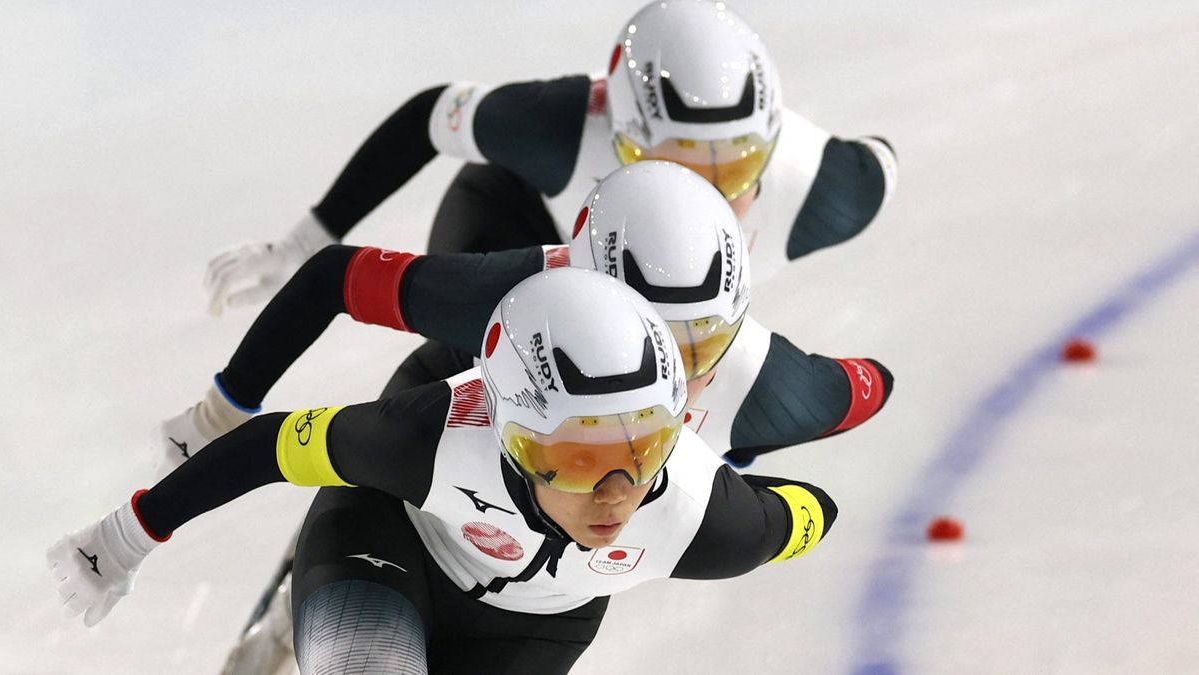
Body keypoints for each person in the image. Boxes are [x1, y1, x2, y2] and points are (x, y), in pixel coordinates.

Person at [50, 268, 838, 674]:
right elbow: (267, 445)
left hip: (538, 626)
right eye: (576, 459)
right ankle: (292, 620)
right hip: (387, 543)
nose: (617, 497)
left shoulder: (701, 517)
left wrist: (761, 494)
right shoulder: (430, 438)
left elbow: (805, 511)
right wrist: (124, 534)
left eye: (644, 454)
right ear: (513, 439)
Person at [159, 162, 892, 481]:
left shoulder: (782, 390)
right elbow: (332, 277)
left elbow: (868, 385)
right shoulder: (519, 293)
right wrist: (222, 411)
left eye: (695, 341)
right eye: (638, 327)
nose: (666, 363)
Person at [203, 0, 897, 317]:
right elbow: (429, 116)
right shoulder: (559, 125)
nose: (701, 199)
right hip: (516, 220)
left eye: (734, 169)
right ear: (613, 126)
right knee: (476, 388)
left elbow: (879, 158)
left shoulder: (830, 190)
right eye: (672, 165)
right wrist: (304, 243)